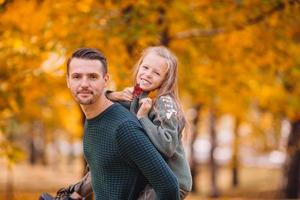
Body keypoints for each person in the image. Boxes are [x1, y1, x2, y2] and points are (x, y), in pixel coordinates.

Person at [39, 47, 180, 200]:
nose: (84, 84)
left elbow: (168, 187)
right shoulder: (94, 118)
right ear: (68, 81)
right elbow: (103, 173)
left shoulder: (124, 128)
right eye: (77, 76)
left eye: (93, 77)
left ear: (105, 80)